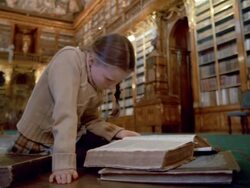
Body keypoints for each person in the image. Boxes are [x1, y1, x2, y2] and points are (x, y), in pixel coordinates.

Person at [9, 33, 140, 184]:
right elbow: (65, 113)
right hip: (34, 145)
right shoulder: (68, 60)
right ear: (91, 60)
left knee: (110, 149)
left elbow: (90, 120)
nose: (111, 88)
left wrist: (117, 132)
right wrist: (63, 164)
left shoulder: (94, 79)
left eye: (116, 83)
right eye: (109, 80)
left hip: (60, 141)